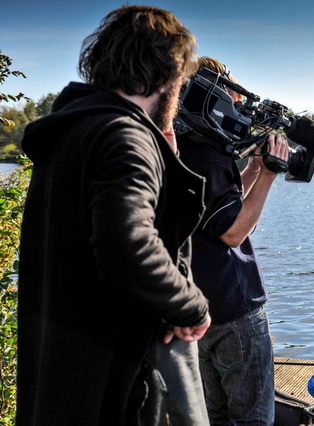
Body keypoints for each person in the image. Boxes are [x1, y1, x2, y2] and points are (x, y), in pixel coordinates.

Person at [17, 6, 212, 425]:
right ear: (166, 77)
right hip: (113, 377)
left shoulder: (71, 130)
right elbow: (128, 246)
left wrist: (168, 163)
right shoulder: (125, 137)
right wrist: (191, 306)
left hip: (62, 372)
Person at [176, 57, 290, 425]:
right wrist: (271, 177)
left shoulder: (184, 147)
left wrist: (255, 167)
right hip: (234, 309)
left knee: (215, 417)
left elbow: (219, 209)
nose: (239, 108)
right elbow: (233, 231)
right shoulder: (210, 155)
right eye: (233, 97)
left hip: (199, 307)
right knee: (253, 418)